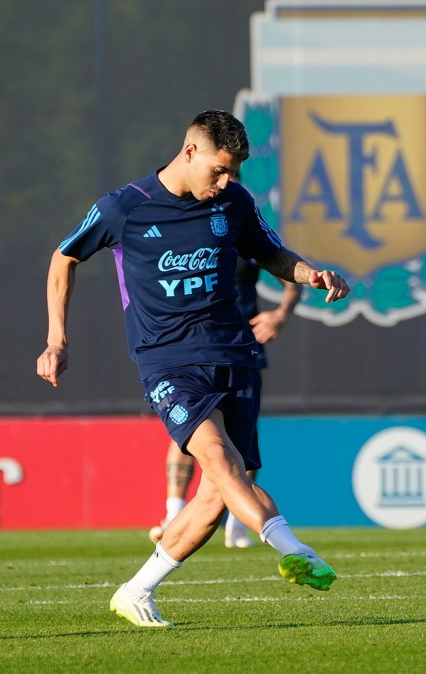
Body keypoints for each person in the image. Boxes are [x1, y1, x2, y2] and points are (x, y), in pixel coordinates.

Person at [37, 110, 351, 628]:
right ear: (189, 153)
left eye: (233, 173)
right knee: (215, 455)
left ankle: (136, 591)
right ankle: (295, 550)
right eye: (219, 171)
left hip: (235, 352)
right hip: (167, 359)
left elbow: (273, 255)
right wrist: (56, 339)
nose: (226, 182)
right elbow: (63, 257)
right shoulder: (123, 208)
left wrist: (312, 274)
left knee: (216, 495)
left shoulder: (235, 202)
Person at [150, 262, 301, 549]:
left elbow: (290, 276)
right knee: (187, 428)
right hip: (193, 347)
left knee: (243, 435)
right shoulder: (185, 240)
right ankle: (173, 514)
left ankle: (238, 524)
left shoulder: (244, 234)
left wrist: (281, 314)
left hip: (242, 346)